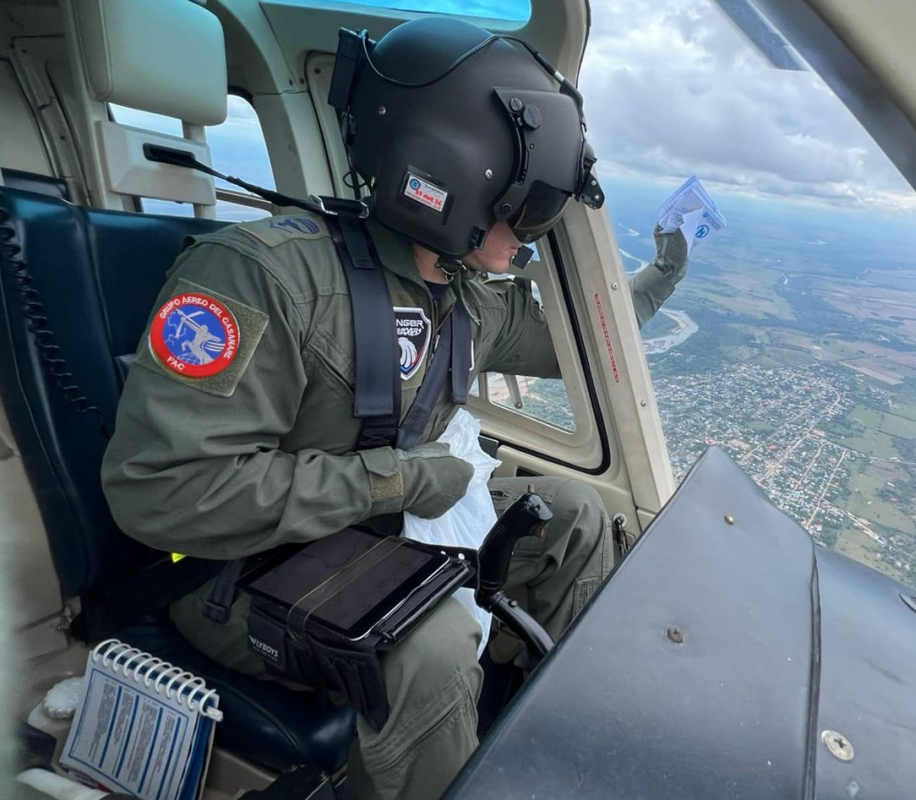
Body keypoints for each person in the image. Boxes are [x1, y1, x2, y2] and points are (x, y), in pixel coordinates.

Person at [99, 16, 688, 800]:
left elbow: (570, 342)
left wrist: (664, 274)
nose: (537, 233)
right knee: (434, 644)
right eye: (530, 205)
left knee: (574, 515)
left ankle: (552, 742)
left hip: (378, 538)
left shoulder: (466, 296)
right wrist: (398, 483)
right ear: (449, 176)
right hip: (230, 574)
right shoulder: (260, 278)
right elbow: (161, 494)